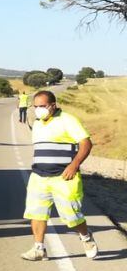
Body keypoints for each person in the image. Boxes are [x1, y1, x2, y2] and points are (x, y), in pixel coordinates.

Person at [20, 90, 99, 261]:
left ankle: (86, 237)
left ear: (53, 105)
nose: (39, 110)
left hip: (64, 176)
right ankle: (39, 248)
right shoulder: (38, 123)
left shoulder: (67, 120)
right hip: (39, 176)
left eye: (42, 106)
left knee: (71, 215)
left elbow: (86, 143)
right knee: (36, 213)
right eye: (36, 107)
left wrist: (74, 164)